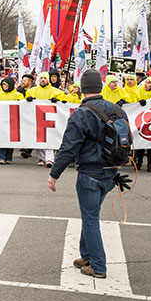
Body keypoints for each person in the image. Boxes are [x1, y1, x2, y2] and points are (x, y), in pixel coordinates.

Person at [48, 69, 129, 279]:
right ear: (101, 86)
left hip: (90, 172)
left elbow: (68, 148)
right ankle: (86, 255)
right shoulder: (118, 110)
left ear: (83, 89)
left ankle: (98, 266)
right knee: (90, 214)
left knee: (91, 218)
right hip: (111, 172)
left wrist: (54, 175)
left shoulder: (81, 114)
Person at [0, 77, 23, 164]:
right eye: (3, 85)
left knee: (10, 139)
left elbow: (23, 104)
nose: (4, 86)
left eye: (5, 85)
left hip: (13, 120)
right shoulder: (0, 94)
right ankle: (1, 157)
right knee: (2, 138)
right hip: (2, 119)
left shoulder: (17, 95)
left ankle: (8, 157)